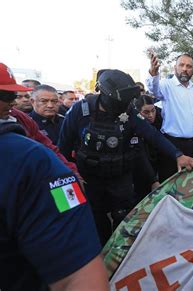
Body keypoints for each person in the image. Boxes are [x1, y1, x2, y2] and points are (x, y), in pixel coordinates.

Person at [59, 69, 193, 244]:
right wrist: (68, 179)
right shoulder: (80, 111)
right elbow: (61, 149)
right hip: (89, 180)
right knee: (95, 223)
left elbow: (152, 135)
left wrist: (178, 155)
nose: (125, 105)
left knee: (123, 221)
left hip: (120, 178)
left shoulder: (129, 113)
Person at [0, 67, 109, 291]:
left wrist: (72, 175)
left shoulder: (32, 158)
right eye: (9, 96)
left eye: (12, 96)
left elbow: (80, 274)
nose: (11, 104)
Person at [146, 53, 193, 180]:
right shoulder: (166, 85)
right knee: (170, 182)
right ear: (175, 68)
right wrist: (153, 74)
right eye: (181, 65)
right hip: (172, 145)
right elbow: (154, 89)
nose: (185, 68)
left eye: (189, 66)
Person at [132, 94, 163, 196]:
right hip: (141, 170)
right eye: (146, 112)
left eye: (153, 111)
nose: (150, 115)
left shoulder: (160, 120)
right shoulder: (134, 126)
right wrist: (153, 180)